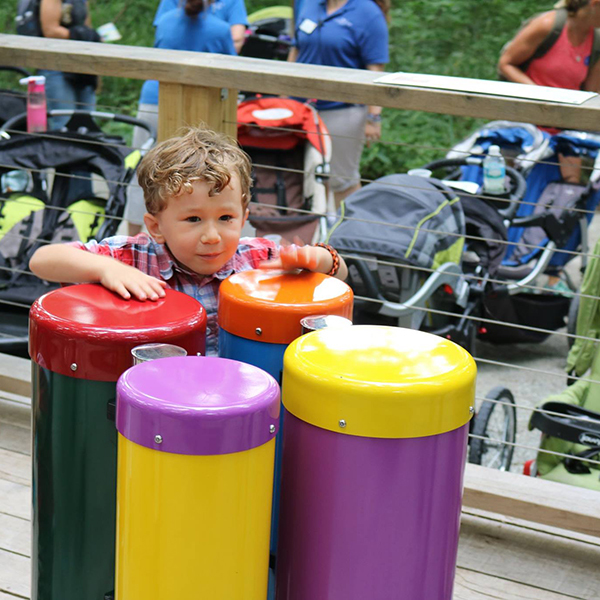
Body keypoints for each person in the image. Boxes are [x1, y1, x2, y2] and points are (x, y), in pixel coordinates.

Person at [29, 126, 348, 356]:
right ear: (156, 226)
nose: (212, 236)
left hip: (238, 396)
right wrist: (106, 269)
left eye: (226, 219)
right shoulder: (134, 257)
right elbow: (43, 259)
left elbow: (340, 272)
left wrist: (317, 261)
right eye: (193, 220)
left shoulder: (257, 259)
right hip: (161, 396)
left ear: (244, 215)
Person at [125, 0, 236, 235]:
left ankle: (132, 236)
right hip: (200, 109)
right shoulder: (221, 29)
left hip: (153, 101)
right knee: (199, 175)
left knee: (141, 172)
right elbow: (233, 71)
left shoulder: (164, 22)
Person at [288, 0, 389, 209]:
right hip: (300, 108)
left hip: (343, 110)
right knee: (303, 176)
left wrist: (374, 116)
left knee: (342, 179)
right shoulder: (307, 4)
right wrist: (282, 95)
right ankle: (313, 235)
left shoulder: (368, 13)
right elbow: (295, 51)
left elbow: (375, 71)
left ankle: (349, 236)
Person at [498, 0, 600, 182]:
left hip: (564, 123)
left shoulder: (597, 42)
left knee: (569, 187)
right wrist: (540, 94)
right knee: (514, 185)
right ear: (594, 4)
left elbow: (591, 94)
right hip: (527, 120)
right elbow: (506, 63)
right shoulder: (548, 25)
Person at [38, 0, 101, 129]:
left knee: (88, 126)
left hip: (82, 66)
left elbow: (86, 28)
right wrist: (80, 35)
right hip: (56, 67)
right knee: (63, 126)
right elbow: (50, 30)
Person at [154, 0, 248, 53]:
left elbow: (162, 38)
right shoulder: (222, 30)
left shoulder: (164, 20)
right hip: (204, 82)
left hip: (158, 83)